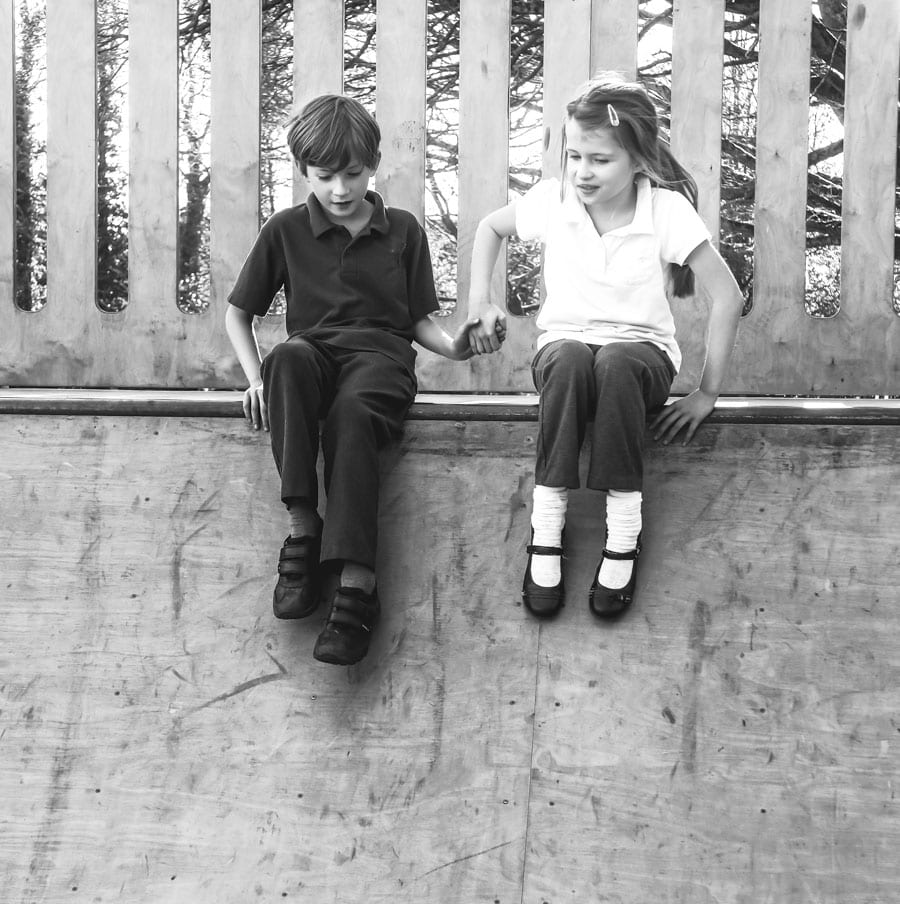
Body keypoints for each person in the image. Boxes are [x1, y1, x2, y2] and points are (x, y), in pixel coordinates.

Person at [225, 94, 500, 666]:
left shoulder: (402, 231)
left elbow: (419, 322)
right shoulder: (285, 230)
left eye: (353, 173)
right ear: (304, 170)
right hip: (316, 355)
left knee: (352, 416)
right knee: (287, 360)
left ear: (373, 164)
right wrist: (255, 379)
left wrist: (457, 346)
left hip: (381, 361)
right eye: (326, 176)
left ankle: (356, 586)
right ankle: (303, 530)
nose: (341, 188)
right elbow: (238, 314)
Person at [465, 72, 743, 620]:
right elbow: (489, 229)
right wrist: (481, 300)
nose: (582, 172)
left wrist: (706, 393)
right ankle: (546, 533)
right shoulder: (555, 200)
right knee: (568, 357)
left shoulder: (664, 212)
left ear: (639, 160)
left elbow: (727, 297)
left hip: (640, 358)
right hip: (567, 351)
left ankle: (623, 536)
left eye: (600, 159)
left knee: (616, 362)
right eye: (574, 156)